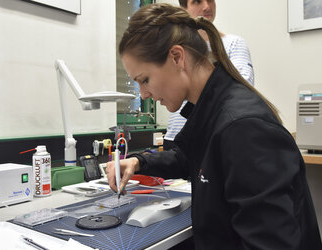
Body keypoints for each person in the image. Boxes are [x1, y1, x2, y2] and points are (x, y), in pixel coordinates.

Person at [106, 3, 322, 249]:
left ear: (177, 57)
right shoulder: (210, 110)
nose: (143, 94)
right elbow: (193, 159)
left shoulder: (242, 128)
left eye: (144, 80)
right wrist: (139, 162)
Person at [164, 0, 254, 150]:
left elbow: (242, 88)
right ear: (183, 8)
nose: (207, 6)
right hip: (175, 137)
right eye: (197, 1)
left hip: (211, 139)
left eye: (210, 0)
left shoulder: (233, 44)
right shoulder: (173, 49)